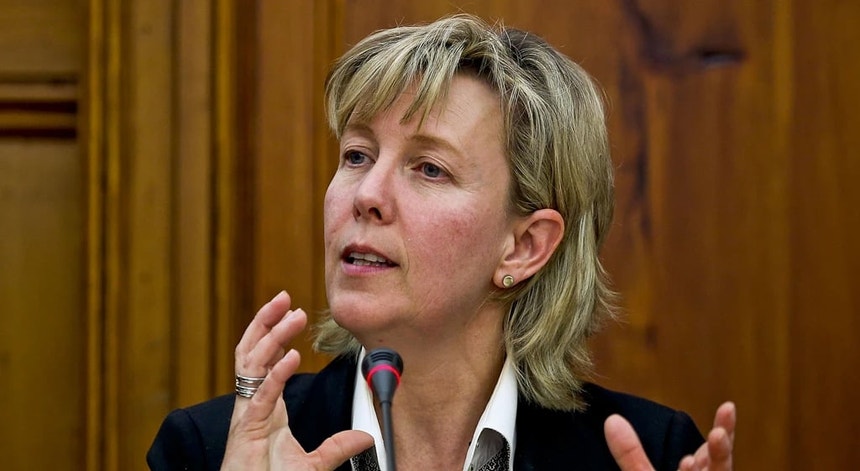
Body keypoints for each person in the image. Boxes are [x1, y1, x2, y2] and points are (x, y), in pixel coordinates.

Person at [148, 13, 735, 471]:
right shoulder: (208, 450)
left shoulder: (647, 454)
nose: (366, 194)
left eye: (429, 168)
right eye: (357, 155)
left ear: (524, 246)